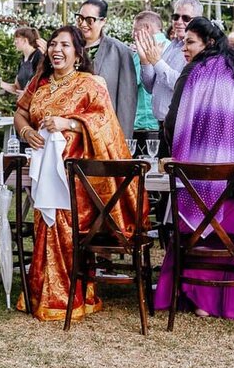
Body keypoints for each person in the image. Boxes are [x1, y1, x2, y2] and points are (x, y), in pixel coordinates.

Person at [12, 26, 142, 321]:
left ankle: (74, 295)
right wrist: (27, 130)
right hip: (45, 170)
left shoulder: (91, 84)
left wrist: (68, 124)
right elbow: (20, 111)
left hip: (77, 179)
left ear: (78, 54)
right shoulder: (40, 83)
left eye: (65, 45)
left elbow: (106, 124)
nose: (57, 50)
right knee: (44, 227)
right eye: (53, 44)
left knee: (66, 230)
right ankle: (43, 294)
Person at [153, 17, 234, 319]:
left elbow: (173, 119)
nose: (184, 49)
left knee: (197, 230)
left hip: (203, 173)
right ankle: (227, 302)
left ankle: (196, 297)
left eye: (190, 42)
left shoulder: (195, 71)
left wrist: (174, 149)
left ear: (209, 43)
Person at [74, 0, 138, 133]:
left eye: (89, 20)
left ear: (103, 21)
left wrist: (123, 139)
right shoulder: (67, 48)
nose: (83, 24)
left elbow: (127, 101)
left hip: (104, 131)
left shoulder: (120, 51)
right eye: (80, 18)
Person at [137, 0, 201, 124]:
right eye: (176, 17)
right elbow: (151, 87)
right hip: (162, 123)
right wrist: (145, 62)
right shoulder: (171, 46)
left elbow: (183, 85)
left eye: (185, 18)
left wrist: (157, 62)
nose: (179, 22)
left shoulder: (198, 49)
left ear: (198, 20)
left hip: (181, 123)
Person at [130, 11, 163, 148]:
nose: (132, 34)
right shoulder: (172, 47)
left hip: (145, 122)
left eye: (135, 30)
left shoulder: (143, 49)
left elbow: (132, 83)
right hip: (165, 122)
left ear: (146, 29)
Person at [0, 26, 44, 96]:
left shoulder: (39, 56)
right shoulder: (22, 61)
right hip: (25, 104)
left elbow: (43, 85)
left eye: (16, 39)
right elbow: (17, 88)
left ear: (25, 40)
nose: (14, 42)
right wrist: (0, 83)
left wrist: (28, 94)